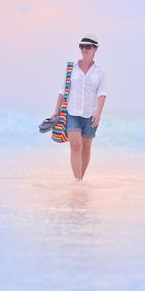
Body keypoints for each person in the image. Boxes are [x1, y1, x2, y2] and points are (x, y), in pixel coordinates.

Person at [52, 34, 107, 181]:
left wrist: (99, 114)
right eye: (81, 46)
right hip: (72, 113)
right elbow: (62, 90)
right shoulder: (71, 69)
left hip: (91, 114)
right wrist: (55, 111)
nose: (84, 49)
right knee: (76, 146)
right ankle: (77, 181)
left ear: (95, 48)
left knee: (86, 147)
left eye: (88, 46)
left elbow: (102, 94)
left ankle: (80, 180)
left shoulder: (100, 72)